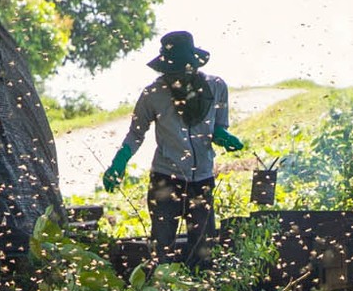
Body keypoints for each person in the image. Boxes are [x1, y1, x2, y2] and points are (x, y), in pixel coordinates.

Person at [101, 30, 247, 267]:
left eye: (181, 69)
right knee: (162, 248)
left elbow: (218, 126)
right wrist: (120, 161)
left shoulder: (216, 87)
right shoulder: (153, 94)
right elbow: (136, 133)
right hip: (165, 179)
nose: (176, 76)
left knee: (204, 249)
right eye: (172, 71)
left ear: (192, 65)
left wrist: (223, 136)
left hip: (202, 178)